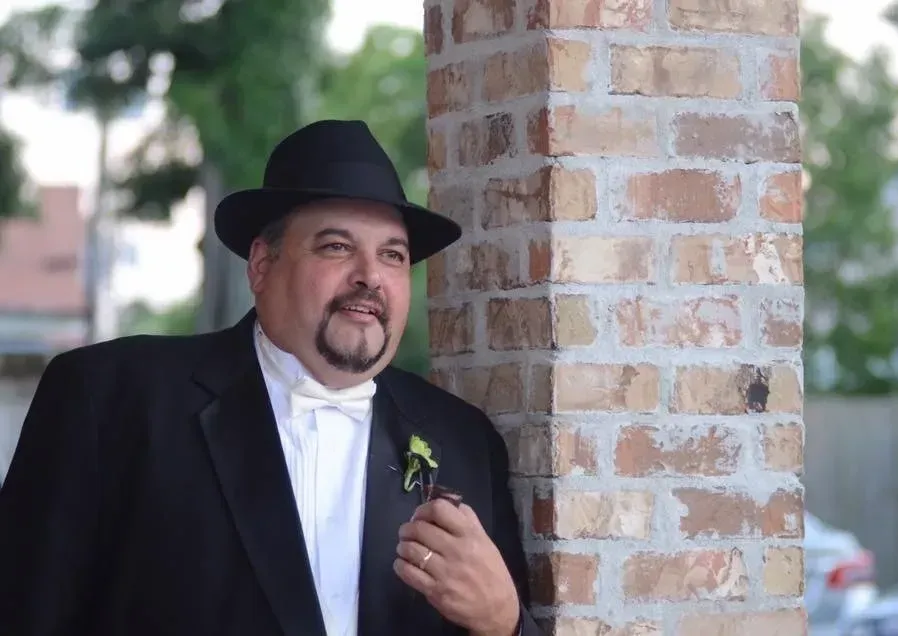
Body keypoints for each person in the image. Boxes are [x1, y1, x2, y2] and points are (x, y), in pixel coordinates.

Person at [0, 120, 540, 636]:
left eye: (393, 256)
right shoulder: (109, 399)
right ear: (261, 265)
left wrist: (503, 623)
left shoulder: (466, 444)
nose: (370, 277)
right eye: (336, 246)